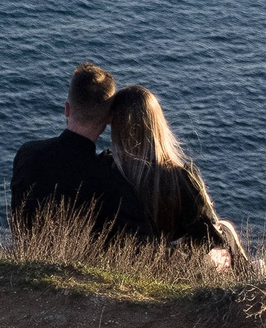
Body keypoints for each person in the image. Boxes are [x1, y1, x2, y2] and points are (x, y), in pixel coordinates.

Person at [103, 86, 248, 267]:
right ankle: (253, 278)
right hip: (171, 266)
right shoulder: (179, 178)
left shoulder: (106, 169)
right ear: (157, 124)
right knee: (226, 230)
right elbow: (206, 238)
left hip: (123, 262)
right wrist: (203, 207)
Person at [10, 62, 151, 238]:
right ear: (109, 118)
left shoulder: (27, 154)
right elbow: (143, 242)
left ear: (67, 109)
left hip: (26, 251)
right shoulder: (112, 184)